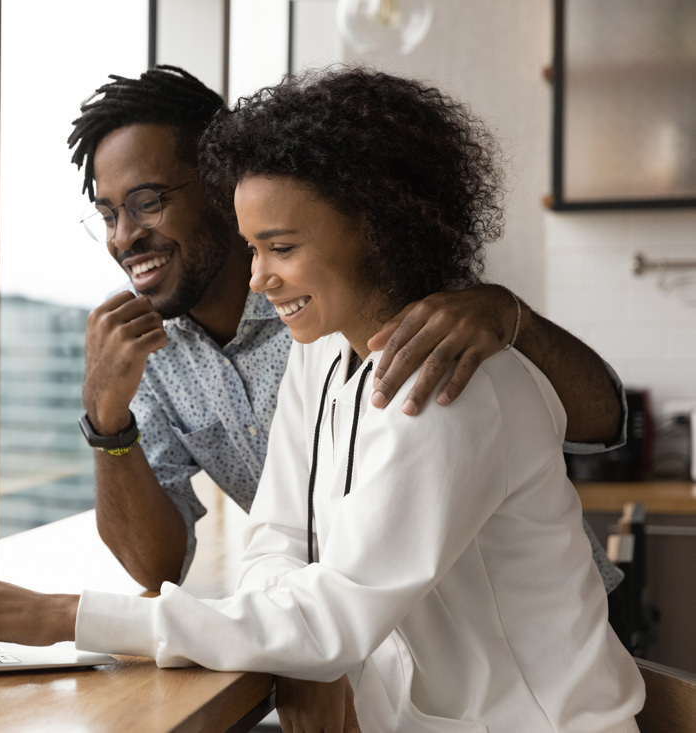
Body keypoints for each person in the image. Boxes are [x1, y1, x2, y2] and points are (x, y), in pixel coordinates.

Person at [0, 67, 644, 731]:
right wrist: (306, 653)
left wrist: (66, 615)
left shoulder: (447, 377)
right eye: (253, 247)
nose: (261, 278)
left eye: (281, 247)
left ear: (376, 229)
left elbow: (337, 613)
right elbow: (279, 537)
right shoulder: (323, 354)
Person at [66, 65, 626, 603]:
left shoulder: (354, 297)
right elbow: (162, 565)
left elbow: (604, 424)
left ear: (221, 184)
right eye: (108, 214)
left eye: (147, 203)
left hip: (526, 633)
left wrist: (511, 316)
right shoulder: (152, 356)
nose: (124, 237)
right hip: (366, 649)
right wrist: (105, 419)